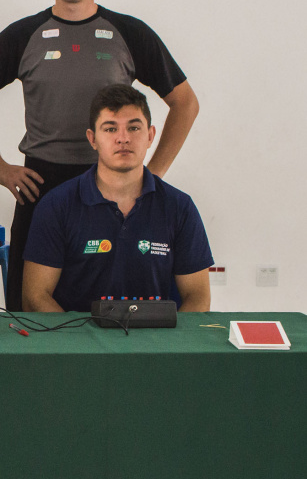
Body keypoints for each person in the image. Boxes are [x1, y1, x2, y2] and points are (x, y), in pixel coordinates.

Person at [0, 0, 200, 311]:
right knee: (32, 310)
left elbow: (185, 102)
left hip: (112, 186)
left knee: (117, 303)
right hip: (41, 184)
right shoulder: (24, 34)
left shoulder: (129, 33)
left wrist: (156, 171)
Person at [22, 84, 212, 312]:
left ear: (150, 136)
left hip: (154, 343)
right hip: (80, 341)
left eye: (134, 128)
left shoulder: (180, 207)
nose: (123, 139)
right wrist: (79, 345)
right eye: (110, 129)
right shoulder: (56, 206)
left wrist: (166, 346)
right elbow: (35, 297)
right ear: (92, 139)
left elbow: (198, 297)